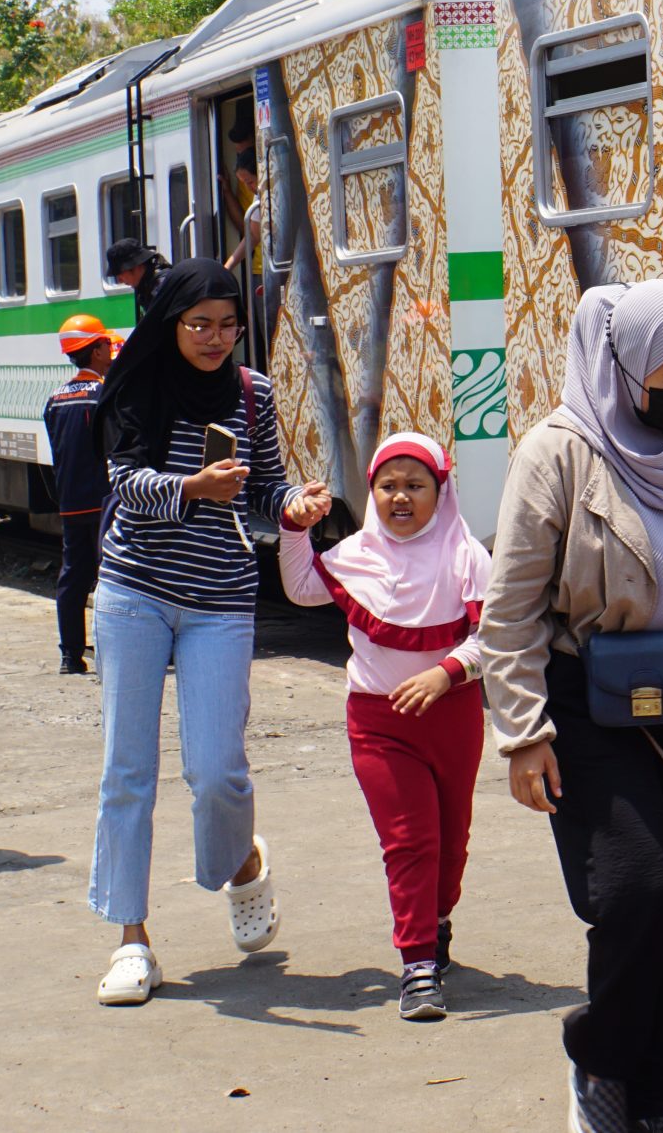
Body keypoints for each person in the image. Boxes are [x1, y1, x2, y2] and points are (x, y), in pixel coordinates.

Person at [481, 279, 663, 1133]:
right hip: (589, 706)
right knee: (639, 892)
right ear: (622, 366)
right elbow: (510, 613)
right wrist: (524, 735)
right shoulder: (558, 453)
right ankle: (599, 1060)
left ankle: (655, 1103)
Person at [85, 258, 331, 1007]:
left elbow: (261, 488)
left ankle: (243, 862)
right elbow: (124, 483)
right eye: (201, 325)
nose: (216, 338)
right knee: (128, 768)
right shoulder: (135, 385)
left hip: (222, 597)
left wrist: (291, 505)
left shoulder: (252, 392)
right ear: (171, 323)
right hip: (134, 592)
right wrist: (192, 486)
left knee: (217, 769)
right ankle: (132, 937)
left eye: (228, 324)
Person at [277, 432, 489, 1022]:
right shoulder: (353, 556)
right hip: (378, 719)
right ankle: (418, 965)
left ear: (439, 493)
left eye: (415, 486)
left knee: (451, 843)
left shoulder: (469, 558)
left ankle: (437, 920)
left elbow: (495, 640)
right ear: (371, 492)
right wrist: (294, 528)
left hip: (453, 718)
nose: (401, 497)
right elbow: (299, 588)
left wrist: (446, 674)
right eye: (388, 486)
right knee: (410, 842)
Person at [44, 314, 119, 676]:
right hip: (107, 501)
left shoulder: (55, 399)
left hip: (71, 501)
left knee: (73, 576)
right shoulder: (106, 394)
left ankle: (70, 655)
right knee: (115, 576)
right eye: (107, 344)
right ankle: (112, 652)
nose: (111, 349)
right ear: (96, 350)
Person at [105, 237, 169, 313]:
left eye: (120, 274)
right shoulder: (147, 286)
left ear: (135, 266)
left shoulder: (162, 287)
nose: (119, 280)